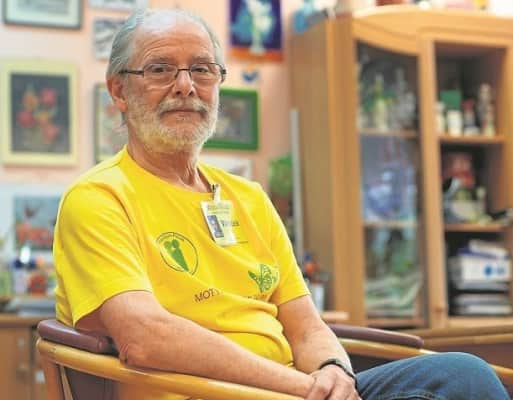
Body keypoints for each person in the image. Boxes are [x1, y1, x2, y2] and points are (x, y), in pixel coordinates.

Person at [53, 8, 509, 400]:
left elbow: (305, 327)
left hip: (294, 390)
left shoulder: (248, 198)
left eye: (203, 69)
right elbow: (145, 338)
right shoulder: (99, 198)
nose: (186, 85)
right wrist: (300, 387)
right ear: (119, 91)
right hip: (220, 393)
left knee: (463, 375)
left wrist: (333, 369)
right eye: (160, 69)